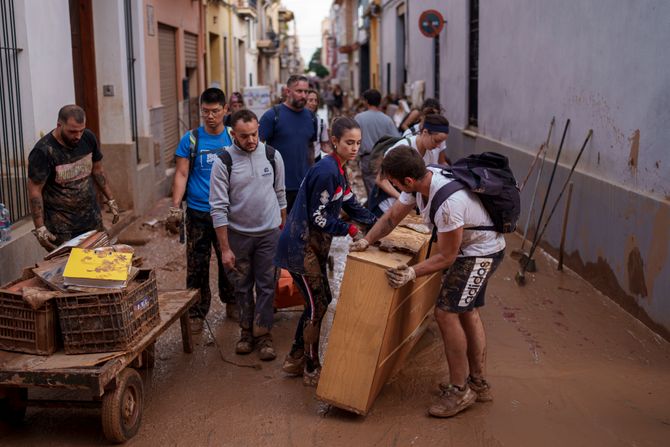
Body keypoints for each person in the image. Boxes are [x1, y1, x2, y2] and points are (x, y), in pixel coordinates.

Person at [350, 146, 506, 418]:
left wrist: (411, 272)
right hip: (469, 249)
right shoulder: (422, 180)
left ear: (408, 181)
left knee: (446, 313)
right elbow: (391, 218)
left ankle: (461, 390)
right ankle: (477, 383)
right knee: (466, 311)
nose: (396, 188)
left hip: (482, 253)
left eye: (396, 184)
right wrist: (367, 240)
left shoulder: (448, 204)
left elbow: (446, 256)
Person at [275, 117, 377, 386]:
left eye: (357, 143)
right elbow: (318, 216)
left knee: (318, 302)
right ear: (334, 141)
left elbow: (351, 202)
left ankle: (295, 357)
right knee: (317, 305)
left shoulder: (340, 170)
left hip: (314, 247)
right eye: (349, 143)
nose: (355, 148)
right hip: (300, 247)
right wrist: (350, 230)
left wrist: (378, 225)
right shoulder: (326, 171)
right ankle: (310, 366)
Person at [210, 109, 287, 361]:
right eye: (244, 136)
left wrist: (282, 232)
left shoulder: (272, 156)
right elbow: (218, 207)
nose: (251, 140)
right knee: (242, 287)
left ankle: (263, 334)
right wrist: (224, 248)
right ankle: (246, 333)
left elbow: (280, 195)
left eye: (254, 134)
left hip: (269, 235)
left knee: (267, 286)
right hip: (238, 236)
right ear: (233, 134)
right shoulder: (224, 161)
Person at [166, 87, 236, 333]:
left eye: (215, 111)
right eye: (205, 111)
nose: (210, 116)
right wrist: (175, 207)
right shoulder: (191, 139)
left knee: (230, 261)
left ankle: (233, 303)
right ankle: (196, 312)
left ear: (225, 110)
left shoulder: (233, 137)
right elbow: (182, 173)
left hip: (227, 214)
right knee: (197, 265)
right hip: (197, 213)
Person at [27, 105, 119, 250]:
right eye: (72, 131)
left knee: (98, 267)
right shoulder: (43, 151)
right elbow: (35, 190)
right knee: (71, 270)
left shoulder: (88, 138)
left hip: (92, 220)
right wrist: (40, 228)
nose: (78, 136)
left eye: (81, 130)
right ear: (59, 125)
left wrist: (111, 199)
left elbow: (98, 171)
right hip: (62, 228)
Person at [368, 114, 450, 217]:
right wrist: (401, 198)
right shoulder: (402, 147)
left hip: (407, 204)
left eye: (441, 143)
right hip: (386, 203)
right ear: (425, 132)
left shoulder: (432, 152)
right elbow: (381, 180)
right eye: (436, 141)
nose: (438, 146)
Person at [259, 75, 316, 213]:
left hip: (304, 186)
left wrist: (313, 175)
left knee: (301, 230)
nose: (304, 95)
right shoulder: (272, 116)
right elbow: (256, 147)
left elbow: (310, 147)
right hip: (277, 187)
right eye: (299, 91)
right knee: (280, 230)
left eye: (306, 91)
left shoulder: (311, 117)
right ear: (287, 91)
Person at [354, 89, 399, 196]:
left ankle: (374, 211)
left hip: (367, 158)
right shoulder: (387, 119)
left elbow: (353, 139)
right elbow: (397, 139)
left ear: (366, 101)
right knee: (385, 190)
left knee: (371, 191)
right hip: (384, 158)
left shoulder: (359, 118)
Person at [306, 89, 332, 162]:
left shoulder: (321, 122)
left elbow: (324, 145)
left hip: (316, 159)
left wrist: (334, 153)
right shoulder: (297, 120)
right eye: (310, 100)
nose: (314, 103)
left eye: (316, 100)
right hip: (301, 160)